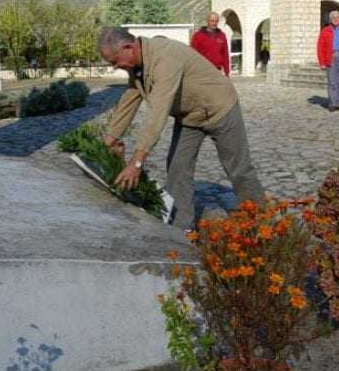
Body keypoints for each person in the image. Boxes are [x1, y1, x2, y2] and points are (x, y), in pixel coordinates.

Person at [98, 27, 264, 229]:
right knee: (177, 168)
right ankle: (180, 229)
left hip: (220, 108)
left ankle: (262, 221)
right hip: (190, 117)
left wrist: (137, 162)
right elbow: (130, 99)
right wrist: (109, 140)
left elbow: (158, 110)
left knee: (238, 168)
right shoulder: (138, 65)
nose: (116, 66)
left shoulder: (165, 57)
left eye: (115, 61)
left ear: (128, 47)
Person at [190, 12, 230, 76]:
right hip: (203, 71)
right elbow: (192, 54)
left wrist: (227, 72)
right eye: (212, 21)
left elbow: (225, 55)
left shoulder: (222, 36)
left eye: (216, 21)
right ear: (207, 21)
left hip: (217, 70)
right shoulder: (198, 36)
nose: (214, 23)